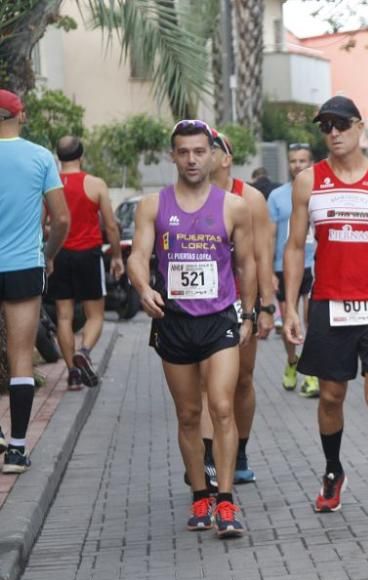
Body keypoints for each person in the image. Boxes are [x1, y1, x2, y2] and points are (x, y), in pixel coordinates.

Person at [283, 95, 368, 527]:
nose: (334, 133)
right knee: (331, 396)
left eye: (341, 124)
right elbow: (293, 247)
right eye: (326, 126)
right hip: (329, 305)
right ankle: (333, 470)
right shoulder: (309, 182)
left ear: (359, 127)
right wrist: (289, 307)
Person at [126, 119, 257, 536]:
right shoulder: (153, 205)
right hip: (174, 321)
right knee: (188, 414)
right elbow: (137, 255)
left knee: (221, 407)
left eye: (200, 151)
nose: (192, 159)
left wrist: (251, 312)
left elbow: (246, 264)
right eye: (183, 152)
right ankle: (200, 495)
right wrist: (143, 286)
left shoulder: (233, 206)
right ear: (173, 156)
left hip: (219, 320)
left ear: (213, 154)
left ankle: (226, 500)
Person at [197, 129, 276, 486]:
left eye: (209, 149)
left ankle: (239, 449)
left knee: (242, 380)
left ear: (226, 158)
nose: (200, 155)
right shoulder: (189, 197)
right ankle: (208, 457)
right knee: (206, 383)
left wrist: (265, 307)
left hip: (240, 302)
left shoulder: (251, 198)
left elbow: (261, 256)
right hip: (201, 304)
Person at [0, 89, 70, 474]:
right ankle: (17, 449)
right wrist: (48, 255)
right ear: (20, 115)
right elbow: (60, 219)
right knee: (21, 356)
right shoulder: (40, 157)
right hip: (25, 265)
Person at [49, 136, 125, 390]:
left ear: (58, 156)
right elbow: (111, 226)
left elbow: (42, 224)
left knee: (64, 316)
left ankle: (72, 372)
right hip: (89, 255)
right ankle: (84, 351)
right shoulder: (95, 184)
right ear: (81, 155)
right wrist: (116, 256)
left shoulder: (50, 184)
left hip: (59, 255)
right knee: (95, 316)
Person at [268, 144, 319, 398]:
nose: (297, 165)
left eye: (302, 161)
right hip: (283, 267)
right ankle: (291, 361)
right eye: (293, 161)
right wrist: (268, 273)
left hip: (314, 264)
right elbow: (269, 236)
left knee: (312, 320)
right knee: (291, 318)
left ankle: (310, 372)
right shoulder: (277, 196)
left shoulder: (321, 192)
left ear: (311, 162)